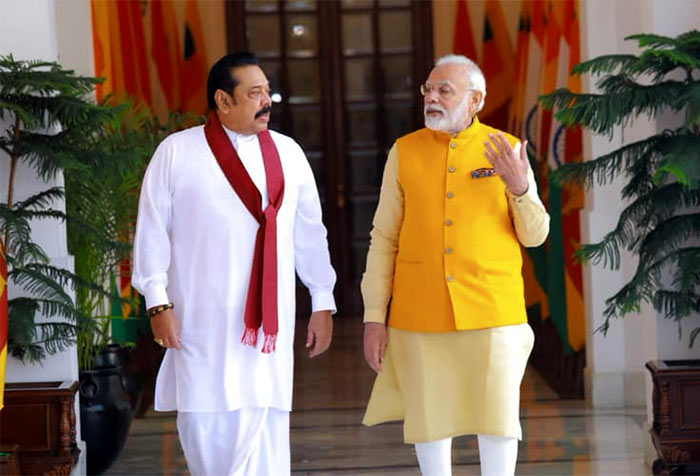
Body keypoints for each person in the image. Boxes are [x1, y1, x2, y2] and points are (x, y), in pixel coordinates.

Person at [132, 52, 337, 476]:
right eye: (254, 93)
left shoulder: (288, 153)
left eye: (267, 92)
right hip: (199, 323)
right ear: (223, 101)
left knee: (265, 425)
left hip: (267, 331)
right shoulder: (176, 152)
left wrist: (322, 300)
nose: (266, 102)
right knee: (204, 424)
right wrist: (157, 302)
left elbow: (309, 234)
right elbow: (151, 231)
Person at [361, 54, 550, 476]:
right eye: (428, 89)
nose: (431, 97)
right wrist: (375, 315)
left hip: (494, 313)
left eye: (444, 90)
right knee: (429, 422)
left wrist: (520, 187)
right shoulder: (404, 151)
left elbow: (536, 236)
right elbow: (384, 238)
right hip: (418, 314)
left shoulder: (506, 149)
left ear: (476, 99)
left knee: (498, 422)